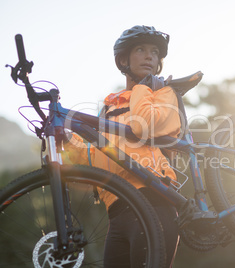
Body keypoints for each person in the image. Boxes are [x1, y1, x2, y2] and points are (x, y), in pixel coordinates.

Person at [64, 25, 181, 267]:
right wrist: (65, 141)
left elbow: (144, 125)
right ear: (123, 59)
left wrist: (142, 86)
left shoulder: (163, 93)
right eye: (141, 49)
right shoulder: (109, 108)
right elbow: (93, 159)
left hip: (153, 203)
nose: (150, 56)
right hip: (116, 215)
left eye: (155, 52)